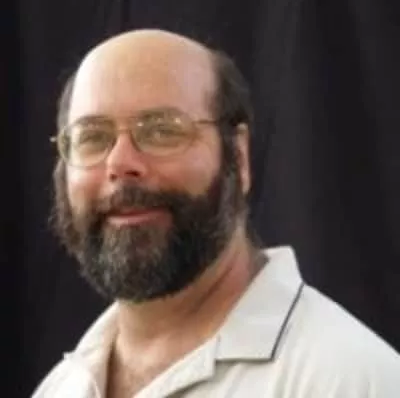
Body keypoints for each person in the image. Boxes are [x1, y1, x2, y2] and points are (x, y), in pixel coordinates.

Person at [32, 29, 400, 398]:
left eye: (162, 131)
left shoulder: (349, 381)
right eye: (92, 137)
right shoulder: (61, 388)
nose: (120, 164)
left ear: (238, 157)